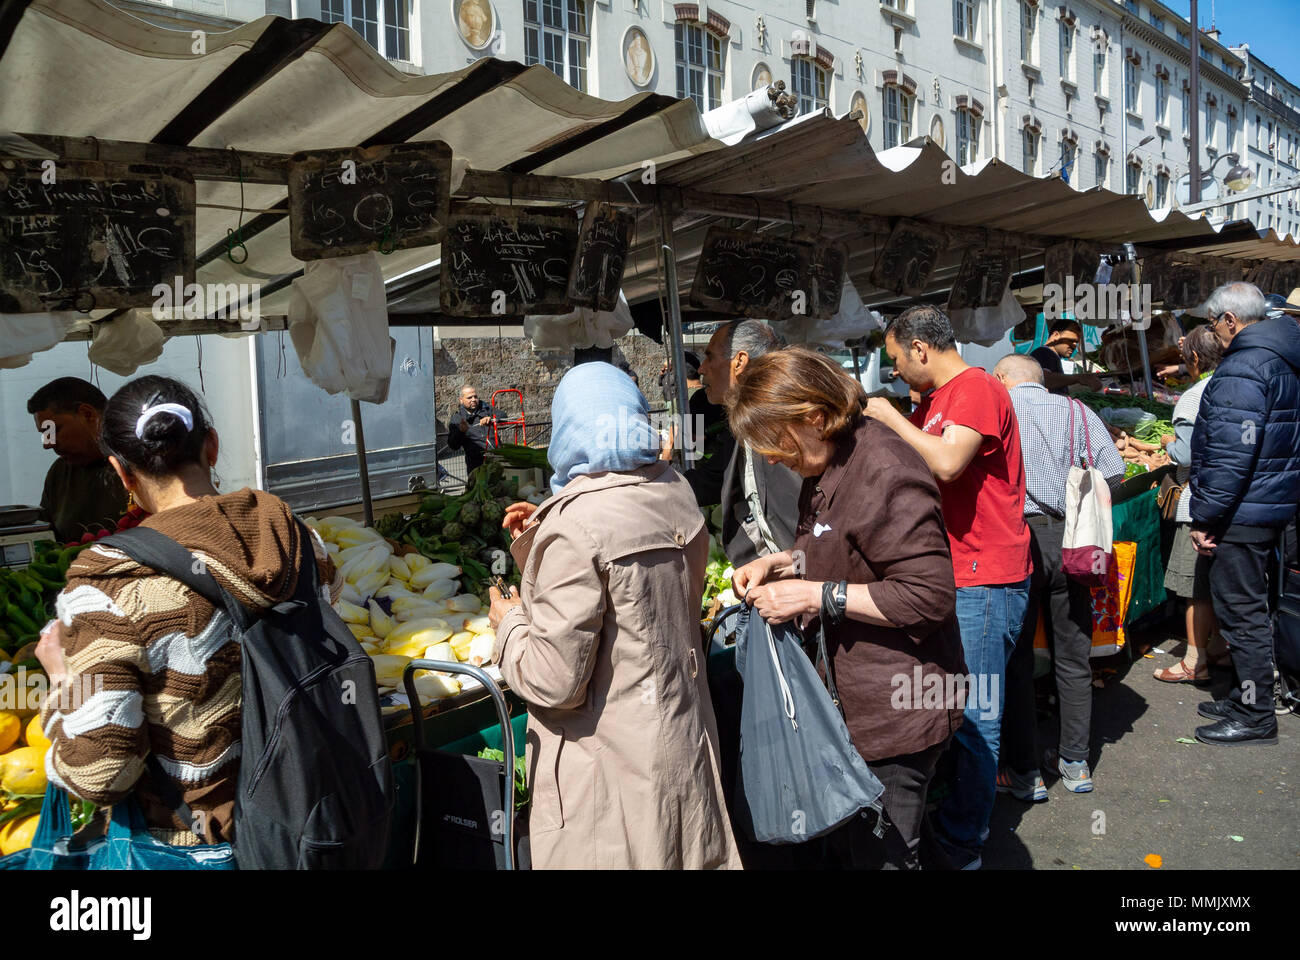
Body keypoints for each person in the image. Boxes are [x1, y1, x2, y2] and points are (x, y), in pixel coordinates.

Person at [35, 375, 338, 845]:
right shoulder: (297, 538)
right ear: (211, 446)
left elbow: (101, 775)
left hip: (197, 842)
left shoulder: (105, 587)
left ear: (120, 471)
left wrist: (60, 682)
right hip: (308, 814)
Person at [485, 363, 740, 869]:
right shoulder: (674, 491)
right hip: (680, 738)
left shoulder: (573, 526)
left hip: (609, 764)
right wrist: (539, 541)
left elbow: (555, 681)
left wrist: (510, 623)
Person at [727, 348, 967, 870]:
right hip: (856, 705)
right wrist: (782, 562)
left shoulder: (885, 468)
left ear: (813, 415)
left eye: (774, 439)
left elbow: (929, 595)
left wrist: (815, 595)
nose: (769, 457)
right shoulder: (829, 459)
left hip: (901, 709)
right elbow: (835, 546)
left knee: (886, 853)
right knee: (878, 844)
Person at [864, 304, 1030, 870]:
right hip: (954, 572)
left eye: (895, 360)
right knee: (956, 706)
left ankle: (965, 842)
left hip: (986, 573)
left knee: (978, 715)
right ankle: (956, 821)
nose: (895, 373)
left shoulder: (975, 388)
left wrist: (888, 417)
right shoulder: (933, 400)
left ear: (919, 348)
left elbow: (949, 462)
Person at [992, 354, 1125, 798]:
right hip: (1074, 542)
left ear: (1001, 379)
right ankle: (1075, 762)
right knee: (1073, 656)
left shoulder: (998, 409)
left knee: (1018, 659)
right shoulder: (1077, 411)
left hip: (1017, 539)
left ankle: (1025, 772)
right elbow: (1115, 470)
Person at [1188, 282, 1300, 746]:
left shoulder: (1246, 364)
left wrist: (1206, 516)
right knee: (1253, 608)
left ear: (1231, 320)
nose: (1212, 331)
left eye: (1214, 322)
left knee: (1243, 612)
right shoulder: (1278, 357)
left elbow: (1233, 454)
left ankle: (1255, 713)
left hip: (1243, 510)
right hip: (1267, 503)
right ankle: (1243, 694)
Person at [1154, 325, 1229, 685]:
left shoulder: (1193, 396)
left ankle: (1193, 661)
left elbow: (1184, 452)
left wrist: (1169, 443)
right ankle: (1220, 648)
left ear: (1195, 358)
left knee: (1194, 588)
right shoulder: (1233, 385)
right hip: (1229, 499)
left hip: (1196, 500)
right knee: (1218, 583)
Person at [697, 319, 801, 566]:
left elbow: (809, 523)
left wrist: (803, 577)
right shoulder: (743, 428)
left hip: (810, 585)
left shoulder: (781, 422)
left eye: (709, 357)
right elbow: (711, 481)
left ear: (739, 362)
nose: (701, 368)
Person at [27, 377, 129, 543]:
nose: (47, 443)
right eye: (44, 434)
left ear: (88, 415)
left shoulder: (143, 461)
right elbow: (46, 538)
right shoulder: (59, 473)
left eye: (53, 430)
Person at [1030, 319, 1104, 395]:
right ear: (1056, 335)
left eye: (1076, 342)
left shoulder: (1053, 357)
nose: (1074, 345)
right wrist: (1079, 378)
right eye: (1071, 340)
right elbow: (1044, 379)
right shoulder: (1043, 352)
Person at [447, 384, 494, 476]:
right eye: (469, 397)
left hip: (496, 459)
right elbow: (453, 445)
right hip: (476, 466)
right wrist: (460, 431)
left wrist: (490, 418)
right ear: (461, 400)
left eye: (475, 396)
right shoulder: (457, 419)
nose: (473, 400)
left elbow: (503, 415)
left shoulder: (485, 409)